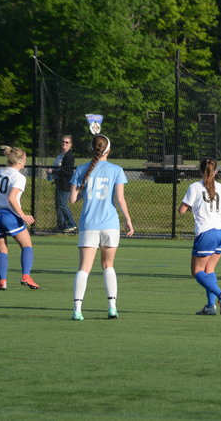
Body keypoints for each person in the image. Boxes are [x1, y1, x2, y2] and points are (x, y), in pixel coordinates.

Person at [69, 135, 134, 320]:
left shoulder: (81, 169)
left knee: (84, 268)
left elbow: (72, 199)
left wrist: (84, 190)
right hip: (110, 225)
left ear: (92, 149)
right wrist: (128, 220)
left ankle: (77, 310)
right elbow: (120, 199)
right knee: (108, 266)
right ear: (109, 150)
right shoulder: (116, 170)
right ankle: (112, 307)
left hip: (89, 224)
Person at [179, 157, 221, 316]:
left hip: (207, 232)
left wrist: (192, 206)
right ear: (216, 172)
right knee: (209, 269)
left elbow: (182, 210)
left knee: (197, 271)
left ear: (200, 171)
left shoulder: (195, 187)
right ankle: (210, 306)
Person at [0, 146, 39, 290]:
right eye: (25, 158)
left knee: (1, 248)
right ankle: (26, 276)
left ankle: (2, 281)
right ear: (20, 161)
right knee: (26, 245)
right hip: (9, 215)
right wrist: (23, 215)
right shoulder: (19, 177)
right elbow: (11, 198)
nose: (26, 161)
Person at [46, 135, 77, 233]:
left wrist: (53, 171)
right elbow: (57, 167)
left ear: (71, 144)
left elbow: (67, 172)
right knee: (58, 205)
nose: (64, 144)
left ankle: (72, 224)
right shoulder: (60, 155)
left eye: (67, 142)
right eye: (63, 142)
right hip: (58, 183)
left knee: (63, 204)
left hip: (65, 184)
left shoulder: (69, 156)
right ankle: (61, 226)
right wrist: (52, 173)